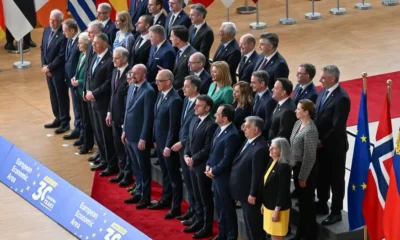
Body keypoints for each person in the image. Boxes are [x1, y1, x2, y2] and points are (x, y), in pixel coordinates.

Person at [314, 65, 350, 226]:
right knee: (322, 176)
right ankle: (322, 203)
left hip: (334, 146)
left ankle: (336, 211)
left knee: (336, 179)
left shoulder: (342, 98)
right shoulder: (322, 91)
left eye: (323, 77)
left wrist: (322, 142)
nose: (320, 80)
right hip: (320, 144)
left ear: (333, 79)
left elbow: (337, 126)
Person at [148, 69, 183, 220]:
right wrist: (155, 139)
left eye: (159, 81)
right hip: (160, 142)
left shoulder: (175, 99)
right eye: (156, 80)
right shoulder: (161, 94)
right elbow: (157, 119)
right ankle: (165, 200)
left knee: (174, 177)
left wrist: (168, 145)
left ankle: (176, 207)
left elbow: (173, 126)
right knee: (165, 174)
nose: (156, 83)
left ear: (168, 82)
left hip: (168, 146)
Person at [122, 64, 156, 210]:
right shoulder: (131, 87)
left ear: (143, 75)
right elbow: (127, 110)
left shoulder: (148, 91)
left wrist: (143, 138)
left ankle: (145, 196)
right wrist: (124, 130)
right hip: (129, 133)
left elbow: (148, 118)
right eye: (132, 73)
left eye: (136, 73)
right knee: (135, 166)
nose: (132, 76)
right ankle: (138, 191)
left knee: (143, 167)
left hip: (139, 137)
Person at [184, 95, 217, 239]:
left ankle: (206, 226)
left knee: (205, 198)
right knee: (195, 195)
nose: (195, 107)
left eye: (199, 106)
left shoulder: (211, 124)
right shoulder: (193, 120)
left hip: (201, 166)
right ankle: (197, 220)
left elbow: (208, 148)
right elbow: (189, 141)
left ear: (208, 108)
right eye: (195, 105)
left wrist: (193, 159)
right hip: (191, 164)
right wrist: (186, 155)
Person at [230, 116, 268, 240]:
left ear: (256, 130)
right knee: (249, 226)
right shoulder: (249, 141)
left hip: (250, 195)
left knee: (255, 227)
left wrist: (253, 193)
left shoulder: (260, 148)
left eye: (247, 127)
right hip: (243, 192)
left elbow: (257, 174)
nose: (243, 129)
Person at [206, 104, 241, 240]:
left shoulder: (232, 135)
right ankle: (222, 234)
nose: (215, 115)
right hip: (215, 175)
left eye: (218, 114)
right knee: (220, 208)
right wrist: (209, 165)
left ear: (225, 118)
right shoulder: (219, 129)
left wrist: (213, 170)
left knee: (227, 209)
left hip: (223, 178)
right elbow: (213, 150)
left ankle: (231, 236)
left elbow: (227, 159)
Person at [84, 33, 117, 176]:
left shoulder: (110, 60)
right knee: (98, 132)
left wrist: (94, 93)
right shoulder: (95, 56)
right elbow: (89, 75)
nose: (93, 45)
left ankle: (111, 164)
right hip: (93, 101)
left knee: (106, 135)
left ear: (104, 44)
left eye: (96, 43)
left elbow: (108, 84)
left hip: (103, 102)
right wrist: (86, 91)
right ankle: (103, 159)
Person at [171, 76, 201, 222]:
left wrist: (182, 143)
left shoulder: (199, 104)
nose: (183, 88)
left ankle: (197, 213)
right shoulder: (186, 101)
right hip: (184, 149)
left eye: (186, 86)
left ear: (194, 88)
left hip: (190, 149)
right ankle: (192, 209)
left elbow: (195, 130)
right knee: (188, 183)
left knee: (194, 185)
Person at [289, 99, 319, 240]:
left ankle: (306, 234)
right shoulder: (297, 124)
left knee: (307, 204)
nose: (296, 111)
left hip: (306, 171)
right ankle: (305, 232)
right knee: (302, 203)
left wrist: (303, 177)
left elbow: (310, 156)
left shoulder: (311, 130)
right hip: (296, 167)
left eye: (298, 109)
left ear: (306, 112)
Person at [106, 47, 132, 186]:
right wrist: (109, 112)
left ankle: (127, 175)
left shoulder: (130, 74)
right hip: (114, 116)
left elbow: (128, 100)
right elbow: (113, 94)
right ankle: (121, 171)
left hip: (124, 119)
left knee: (126, 149)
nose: (113, 60)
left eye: (116, 58)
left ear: (124, 59)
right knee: (118, 147)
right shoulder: (115, 71)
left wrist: (124, 120)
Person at [41, 9, 70, 134]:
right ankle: (57, 117)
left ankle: (65, 122)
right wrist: (44, 66)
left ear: (60, 21)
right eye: (50, 20)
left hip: (58, 71)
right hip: (48, 70)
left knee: (61, 96)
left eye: (55, 21)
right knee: (53, 95)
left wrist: (50, 67)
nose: (52, 23)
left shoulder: (63, 34)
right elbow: (42, 48)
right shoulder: (46, 30)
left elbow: (62, 55)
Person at [260, 137, 292, 240]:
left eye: (273, 148)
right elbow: (267, 184)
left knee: (277, 236)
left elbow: (282, 190)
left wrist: (277, 210)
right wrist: (264, 203)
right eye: (270, 147)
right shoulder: (272, 161)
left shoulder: (284, 166)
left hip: (278, 208)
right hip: (269, 205)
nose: (270, 149)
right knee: (271, 233)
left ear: (281, 150)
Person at [71, 32, 94, 154]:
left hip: (84, 91)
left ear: (86, 44)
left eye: (80, 43)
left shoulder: (89, 57)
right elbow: (78, 70)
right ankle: (83, 139)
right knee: (82, 117)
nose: (78, 45)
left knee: (86, 120)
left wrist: (78, 82)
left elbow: (87, 76)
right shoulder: (81, 55)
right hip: (79, 91)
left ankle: (88, 144)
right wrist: (74, 78)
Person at [62, 19, 82, 143]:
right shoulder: (70, 40)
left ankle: (80, 130)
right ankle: (77, 127)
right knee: (75, 106)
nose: (64, 33)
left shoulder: (80, 42)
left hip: (77, 81)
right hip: (70, 80)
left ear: (72, 30)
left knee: (79, 107)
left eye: (65, 31)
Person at [170, 25, 197, 95]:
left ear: (178, 40)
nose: (170, 39)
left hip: (182, 94)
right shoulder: (179, 51)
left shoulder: (192, 55)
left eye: (172, 36)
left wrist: (178, 92)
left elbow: (192, 79)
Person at [268, 78, 297, 143]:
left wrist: (272, 146)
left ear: (283, 92)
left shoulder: (288, 111)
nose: (272, 90)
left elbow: (283, 135)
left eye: (275, 88)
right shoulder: (280, 102)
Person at [250, 70, 277, 139]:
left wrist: (254, 133)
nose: (251, 85)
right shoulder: (257, 94)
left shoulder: (270, 100)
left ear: (262, 83)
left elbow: (267, 124)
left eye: (253, 83)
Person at [188, 3, 214, 71]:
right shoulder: (191, 27)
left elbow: (202, 53)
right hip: (190, 64)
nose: (189, 17)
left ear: (200, 16)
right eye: (190, 15)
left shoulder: (207, 32)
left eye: (192, 15)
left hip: (199, 67)